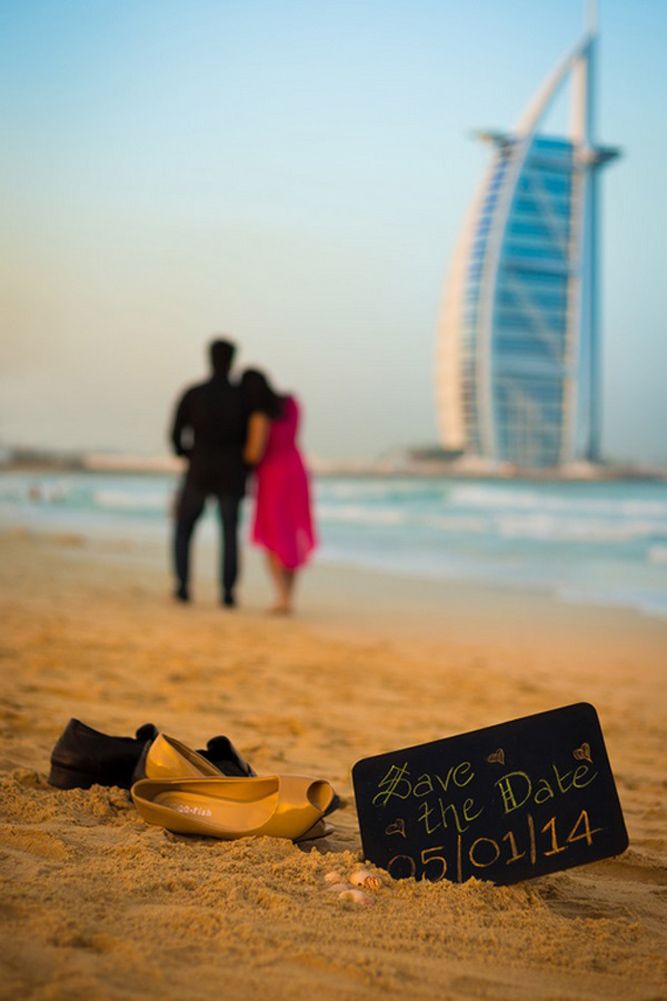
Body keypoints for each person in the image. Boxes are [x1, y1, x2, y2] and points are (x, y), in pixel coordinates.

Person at [170, 338, 248, 606]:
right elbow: (254, 439)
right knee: (229, 534)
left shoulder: (194, 393)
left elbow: (175, 435)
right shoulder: (242, 397)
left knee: (184, 529)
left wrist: (188, 454)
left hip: (199, 469)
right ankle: (227, 593)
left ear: (209, 359)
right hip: (232, 472)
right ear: (232, 361)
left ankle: (182, 587)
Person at [241, 369, 316, 614]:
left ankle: (282, 597)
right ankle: (289, 597)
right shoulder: (292, 403)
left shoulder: (260, 416)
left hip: (273, 475)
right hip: (296, 470)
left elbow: (254, 453)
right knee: (292, 533)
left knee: (273, 535)